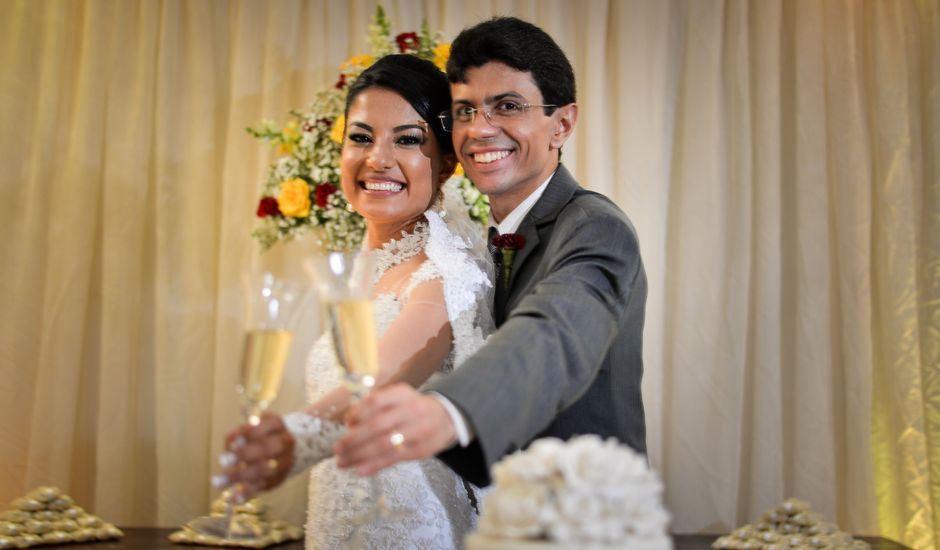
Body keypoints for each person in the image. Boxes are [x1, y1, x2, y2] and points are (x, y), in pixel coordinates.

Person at [334, 16, 648, 488]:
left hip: (578, 521)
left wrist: (449, 411)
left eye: (506, 106)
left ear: (561, 123)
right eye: (465, 111)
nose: (480, 130)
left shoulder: (595, 228)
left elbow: (553, 332)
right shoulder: (471, 245)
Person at [218, 54, 494, 549]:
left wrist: (291, 438)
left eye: (408, 140)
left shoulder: (446, 271)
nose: (377, 158)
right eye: (361, 137)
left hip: (410, 527)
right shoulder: (359, 275)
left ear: (448, 162)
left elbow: (377, 377)